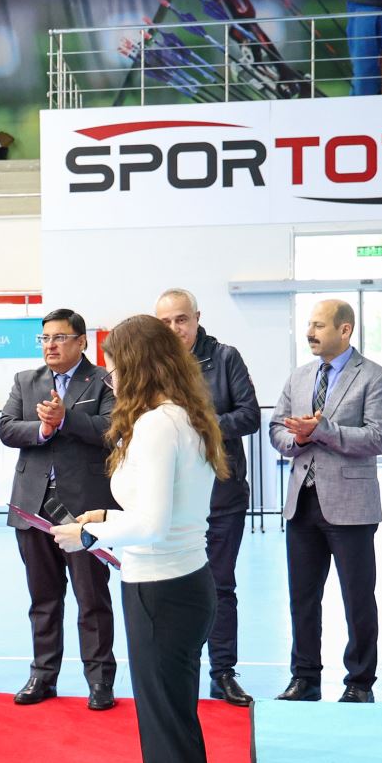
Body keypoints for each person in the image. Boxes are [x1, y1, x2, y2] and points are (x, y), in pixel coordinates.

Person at [51, 315, 227, 763]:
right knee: (170, 740)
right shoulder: (181, 416)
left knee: (169, 746)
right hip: (178, 585)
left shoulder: (156, 425)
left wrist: (88, 534)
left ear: (138, 365)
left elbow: (150, 525)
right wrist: (106, 516)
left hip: (162, 592)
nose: (112, 377)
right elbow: (163, 511)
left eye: (116, 366)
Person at [269, 299, 382, 703]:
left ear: (345, 330)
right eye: (309, 324)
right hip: (302, 503)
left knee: (357, 598)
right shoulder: (300, 376)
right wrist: (296, 439)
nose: (310, 332)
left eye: (319, 325)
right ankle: (304, 678)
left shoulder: (375, 377)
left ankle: (360, 682)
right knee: (302, 598)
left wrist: (322, 430)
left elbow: (378, 438)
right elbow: (276, 428)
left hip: (351, 506)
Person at [0, 308, 118, 710]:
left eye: (59, 337)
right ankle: (43, 676)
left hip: (83, 509)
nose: (50, 345)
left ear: (82, 341)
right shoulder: (25, 380)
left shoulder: (103, 380)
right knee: (43, 598)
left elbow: (112, 430)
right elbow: (6, 427)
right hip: (33, 505)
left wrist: (67, 420)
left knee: (91, 597)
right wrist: (43, 429)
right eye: (45, 338)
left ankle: (99, 680)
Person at [155, 289, 259, 706]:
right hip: (170, 498)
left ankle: (223, 673)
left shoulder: (225, 358)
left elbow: (249, 415)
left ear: (197, 317)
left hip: (221, 494)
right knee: (170, 588)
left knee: (219, 585)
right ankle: (177, 673)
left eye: (181, 319)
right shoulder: (153, 364)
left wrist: (199, 425)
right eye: (165, 322)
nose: (174, 328)